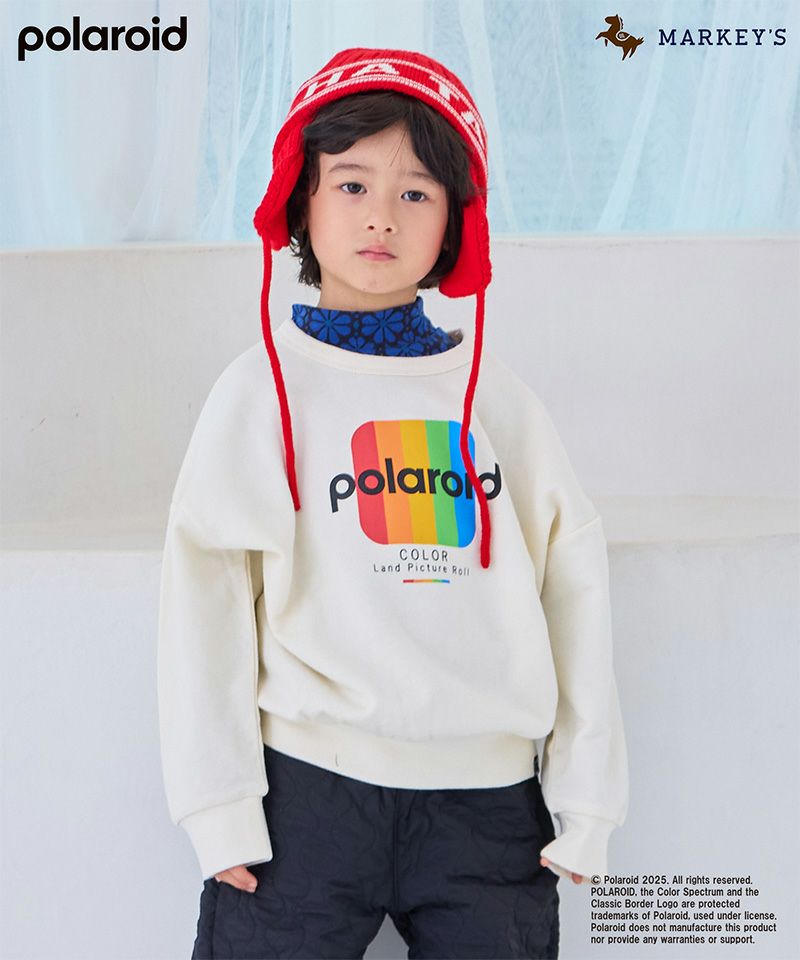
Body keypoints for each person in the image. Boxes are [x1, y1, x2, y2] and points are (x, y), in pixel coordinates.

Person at [157, 47, 629, 959]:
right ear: (302, 200)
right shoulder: (260, 393)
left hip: (490, 807)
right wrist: (217, 804)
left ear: (455, 220)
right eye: (352, 184)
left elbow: (575, 586)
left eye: (417, 191)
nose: (382, 215)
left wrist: (588, 796)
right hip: (304, 797)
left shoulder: (499, 402)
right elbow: (204, 599)